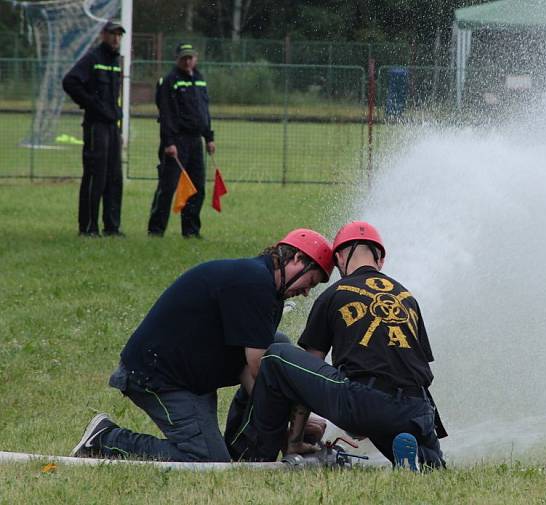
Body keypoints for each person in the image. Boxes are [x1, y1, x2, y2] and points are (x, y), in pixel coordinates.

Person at [69, 229, 334, 462]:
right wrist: (291, 422)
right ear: (296, 259)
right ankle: (106, 439)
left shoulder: (264, 285)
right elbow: (257, 370)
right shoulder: (255, 283)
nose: (306, 292)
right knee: (206, 460)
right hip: (157, 378)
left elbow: (250, 370)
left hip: (192, 379)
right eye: (309, 282)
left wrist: (287, 422)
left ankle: (241, 448)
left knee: (277, 346)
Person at [228, 221, 447, 469]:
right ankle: (425, 459)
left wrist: (296, 439)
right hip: (418, 411)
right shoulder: (408, 297)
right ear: (381, 260)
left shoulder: (334, 293)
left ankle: (255, 457)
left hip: (365, 404)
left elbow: (308, 372)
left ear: (341, 257)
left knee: (277, 355)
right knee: (424, 460)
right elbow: (416, 364)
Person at [62, 21, 125, 237]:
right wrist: (93, 104)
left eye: (119, 35)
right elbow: (70, 82)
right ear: (103, 35)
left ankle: (112, 227)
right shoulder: (93, 58)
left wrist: (116, 113)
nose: (116, 38)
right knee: (95, 175)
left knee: (114, 176)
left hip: (112, 126)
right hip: (96, 126)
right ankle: (88, 227)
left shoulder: (116, 62)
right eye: (112, 34)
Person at [147, 42, 215, 238]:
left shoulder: (200, 80)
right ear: (177, 59)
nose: (187, 61)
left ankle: (191, 230)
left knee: (197, 187)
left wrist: (209, 137)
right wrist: (169, 142)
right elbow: (166, 114)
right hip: (176, 141)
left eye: (190, 57)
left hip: (195, 142)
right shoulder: (169, 81)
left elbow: (204, 112)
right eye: (184, 58)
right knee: (168, 187)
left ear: (196, 58)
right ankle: (156, 229)